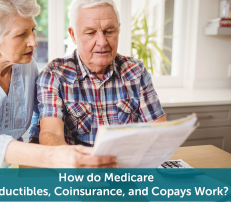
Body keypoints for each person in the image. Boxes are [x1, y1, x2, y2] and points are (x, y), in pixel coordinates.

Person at [0, 0, 116, 168]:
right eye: (21, 35)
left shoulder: (26, 65)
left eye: (32, 29)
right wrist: (52, 156)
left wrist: (34, 145)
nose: (33, 42)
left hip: (3, 173)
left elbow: (39, 113)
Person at [37, 0, 167, 147]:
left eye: (109, 31)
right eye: (91, 33)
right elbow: (51, 134)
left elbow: (159, 130)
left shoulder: (136, 71)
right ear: (73, 35)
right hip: (80, 168)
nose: (102, 42)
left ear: (118, 29)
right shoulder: (54, 75)